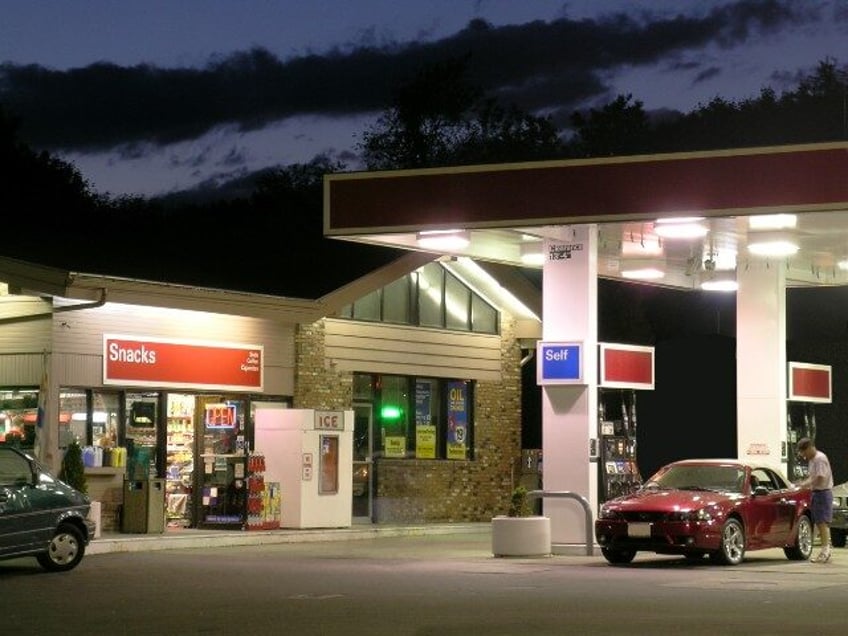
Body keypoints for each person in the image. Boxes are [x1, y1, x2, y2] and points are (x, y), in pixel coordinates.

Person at [796, 437, 834, 563]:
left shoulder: (819, 458)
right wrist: (803, 483)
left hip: (822, 493)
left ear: (810, 447)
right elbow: (812, 477)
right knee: (820, 523)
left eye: (804, 452)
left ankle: (825, 551)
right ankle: (826, 549)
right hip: (817, 493)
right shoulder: (812, 460)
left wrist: (804, 485)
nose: (803, 455)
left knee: (822, 523)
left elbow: (820, 478)